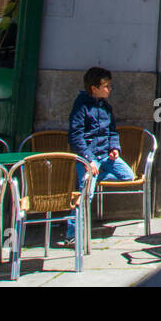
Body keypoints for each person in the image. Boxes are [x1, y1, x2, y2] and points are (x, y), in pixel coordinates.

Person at [65, 66, 135, 244]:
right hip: (88, 156)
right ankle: (72, 234)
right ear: (94, 88)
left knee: (128, 176)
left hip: (106, 154)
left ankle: (96, 178)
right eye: (106, 86)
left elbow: (112, 131)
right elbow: (76, 135)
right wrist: (89, 160)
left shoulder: (106, 108)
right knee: (85, 193)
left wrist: (115, 148)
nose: (109, 89)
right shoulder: (81, 106)